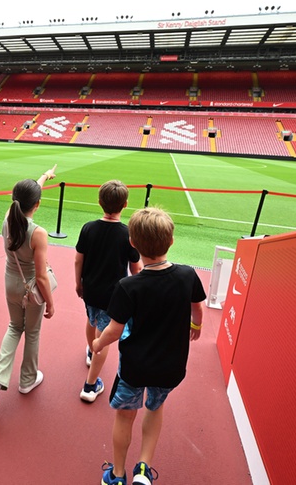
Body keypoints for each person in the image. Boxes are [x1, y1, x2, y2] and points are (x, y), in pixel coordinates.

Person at [92, 207, 205, 485]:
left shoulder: (128, 286)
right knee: (155, 409)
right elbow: (197, 309)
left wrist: (97, 343)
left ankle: (117, 475)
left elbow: (114, 330)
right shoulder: (188, 275)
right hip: (170, 366)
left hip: (134, 367)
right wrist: (196, 327)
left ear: (132, 242)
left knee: (125, 415)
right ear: (171, 241)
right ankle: (144, 470)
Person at [0, 165, 58, 407]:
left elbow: (26, 196)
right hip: (31, 288)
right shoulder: (38, 233)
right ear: (37, 205)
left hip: (10, 283)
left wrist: (44, 176)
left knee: (15, 327)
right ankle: (27, 380)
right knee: (32, 332)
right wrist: (51, 303)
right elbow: (41, 276)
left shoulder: (8, 219)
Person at [75, 180, 142, 403]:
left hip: (90, 290)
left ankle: (90, 350)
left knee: (91, 319)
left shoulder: (88, 228)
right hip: (113, 296)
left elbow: (79, 260)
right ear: (125, 204)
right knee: (102, 338)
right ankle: (90, 385)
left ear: (99, 202)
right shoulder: (127, 234)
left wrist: (78, 283)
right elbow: (136, 268)